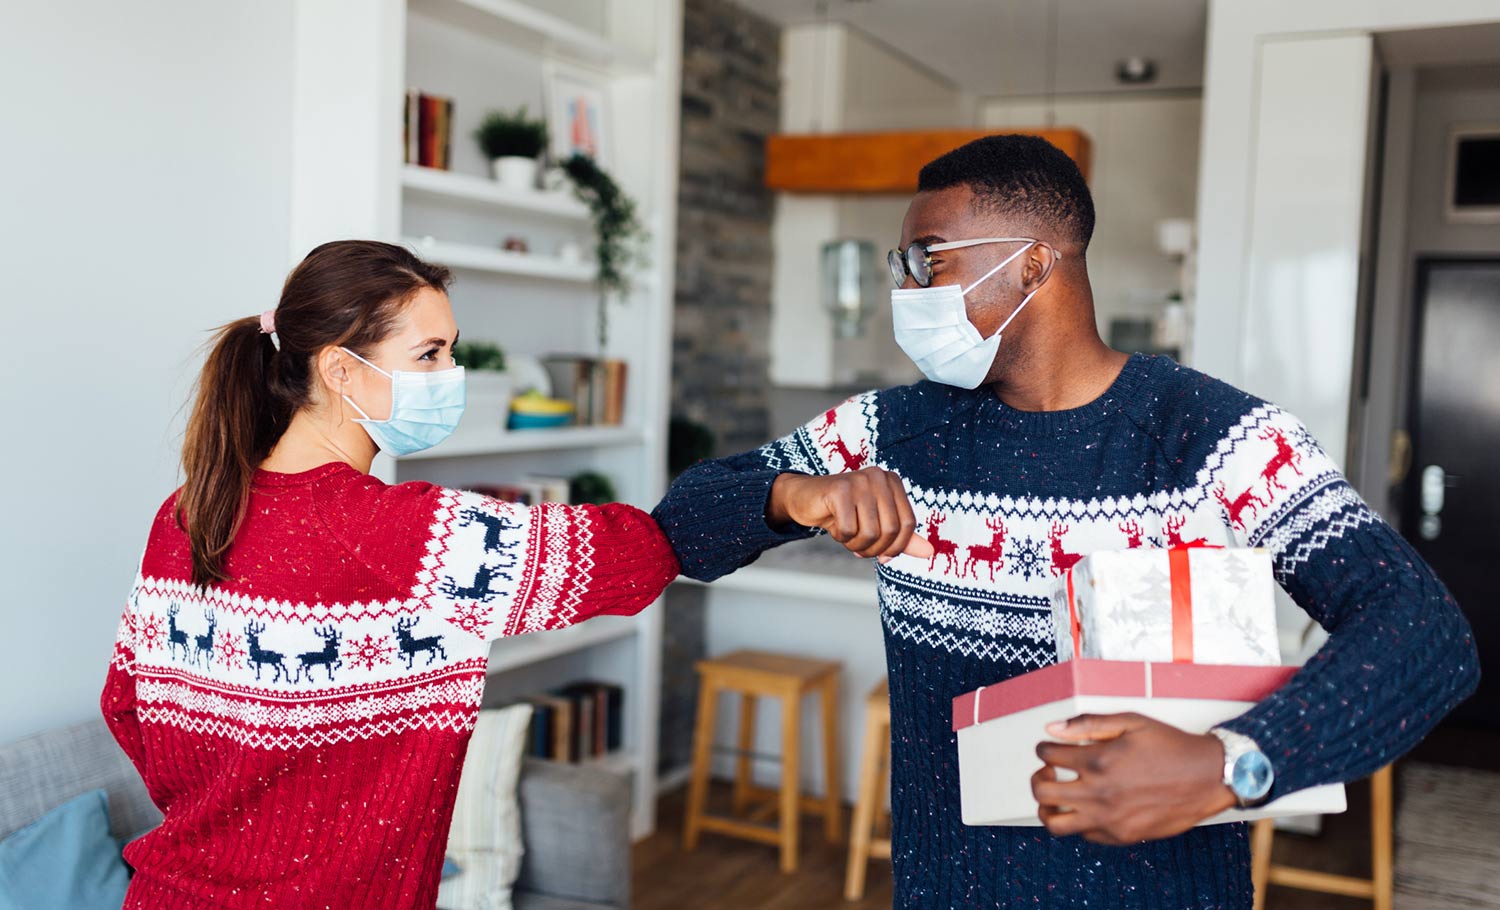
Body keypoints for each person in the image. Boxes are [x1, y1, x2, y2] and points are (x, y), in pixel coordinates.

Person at [651, 135, 1480, 908]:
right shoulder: (888, 433)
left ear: (1035, 265)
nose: (904, 292)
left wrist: (1233, 764)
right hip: (945, 889)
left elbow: (1424, 633)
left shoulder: (1221, 441)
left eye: (925, 261)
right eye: (898, 266)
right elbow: (679, 527)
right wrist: (792, 494)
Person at [100, 240, 680, 909]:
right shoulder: (403, 533)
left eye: (451, 351)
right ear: (340, 370)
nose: (452, 373)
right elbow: (639, 552)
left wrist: (231, 815)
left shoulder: (182, 515)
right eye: (430, 354)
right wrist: (778, 497)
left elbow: (125, 704)